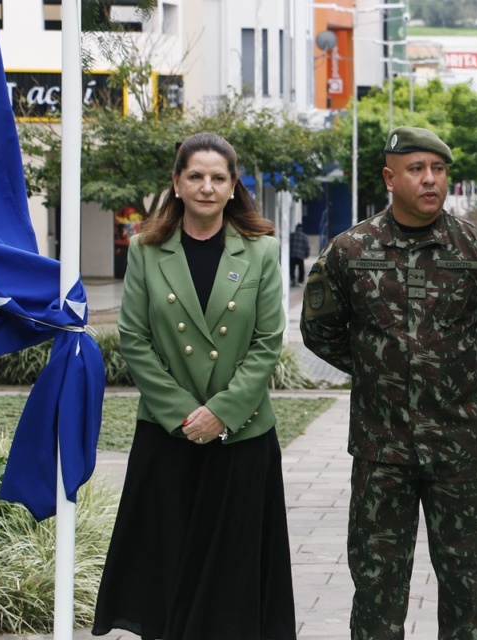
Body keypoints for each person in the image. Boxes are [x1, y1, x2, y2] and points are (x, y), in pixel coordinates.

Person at [300, 126, 477, 638]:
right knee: (377, 593)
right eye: (417, 169)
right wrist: (378, 367)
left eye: (439, 169)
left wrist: (454, 374)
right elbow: (319, 329)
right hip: (381, 452)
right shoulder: (350, 251)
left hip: (457, 452)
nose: (431, 180)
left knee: (468, 591)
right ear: (389, 177)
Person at [93, 133, 295, 640]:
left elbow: (269, 340)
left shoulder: (262, 250)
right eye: (196, 176)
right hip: (168, 435)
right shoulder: (145, 249)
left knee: (235, 575)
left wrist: (221, 413)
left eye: (218, 178)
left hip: (241, 435)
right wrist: (186, 414)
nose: (207, 187)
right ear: (177, 184)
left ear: (233, 188)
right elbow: (133, 339)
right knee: (167, 572)